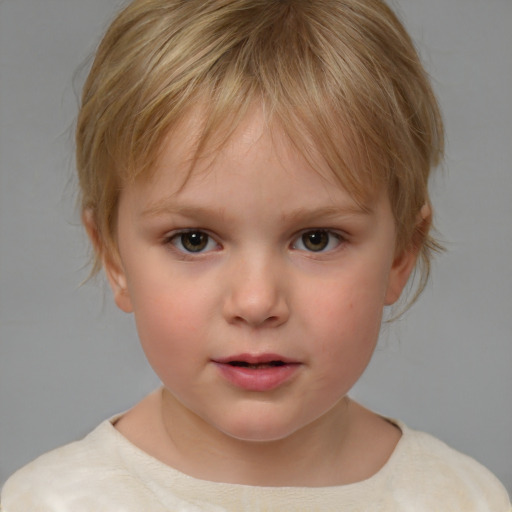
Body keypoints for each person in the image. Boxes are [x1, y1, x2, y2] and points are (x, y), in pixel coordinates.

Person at [1, 0, 510, 510]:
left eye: (316, 239)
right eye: (194, 240)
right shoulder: (50, 502)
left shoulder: (465, 498)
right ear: (114, 257)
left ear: (402, 254)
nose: (256, 300)